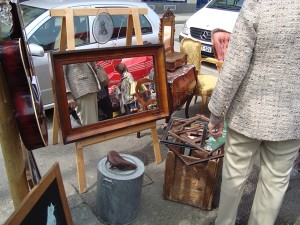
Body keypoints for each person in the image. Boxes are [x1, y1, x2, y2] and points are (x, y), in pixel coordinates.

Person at [207, 1, 300, 225]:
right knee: (274, 186)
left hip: (247, 114)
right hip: (292, 119)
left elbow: (235, 64)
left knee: (233, 180)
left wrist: (216, 113)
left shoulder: (259, 3)